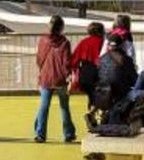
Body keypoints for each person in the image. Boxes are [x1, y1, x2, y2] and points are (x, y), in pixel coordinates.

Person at [34, 15, 76, 144]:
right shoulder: (65, 42)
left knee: (44, 106)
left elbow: (39, 58)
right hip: (60, 79)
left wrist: (42, 70)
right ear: (61, 28)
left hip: (46, 77)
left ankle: (40, 134)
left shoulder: (43, 40)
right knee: (64, 106)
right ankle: (68, 134)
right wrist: (69, 75)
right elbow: (67, 62)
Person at [70, 22, 105, 126]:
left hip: (85, 73)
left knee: (91, 96)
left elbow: (74, 60)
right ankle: (97, 116)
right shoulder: (103, 42)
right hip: (99, 72)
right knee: (103, 96)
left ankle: (92, 120)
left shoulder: (83, 42)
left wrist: (74, 73)